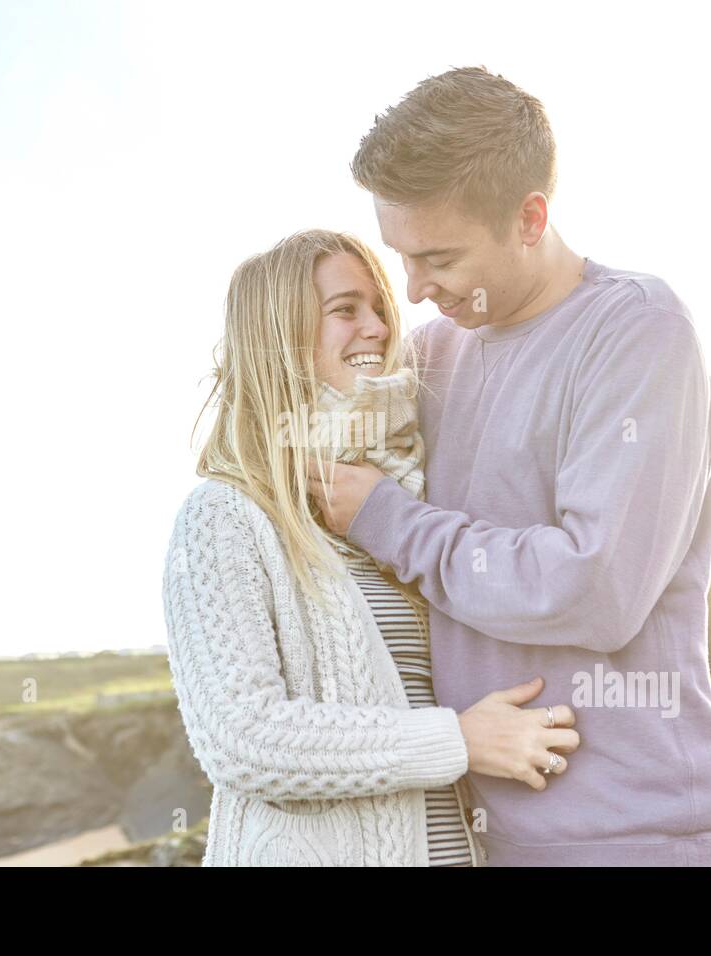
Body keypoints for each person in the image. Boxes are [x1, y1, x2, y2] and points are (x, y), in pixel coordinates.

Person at [309, 66, 711, 866]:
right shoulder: (430, 357)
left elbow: (594, 590)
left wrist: (386, 519)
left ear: (530, 218)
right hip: (497, 835)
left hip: (648, 837)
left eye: (440, 258)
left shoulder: (637, 333)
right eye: (402, 259)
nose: (413, 291)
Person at [162, 228, 580, 866]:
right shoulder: (223, 517)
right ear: (281, 336)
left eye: (380, 309)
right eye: (345, 310)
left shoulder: (400, 500)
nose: (379, 329)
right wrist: (460, 740)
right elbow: (242, 738)